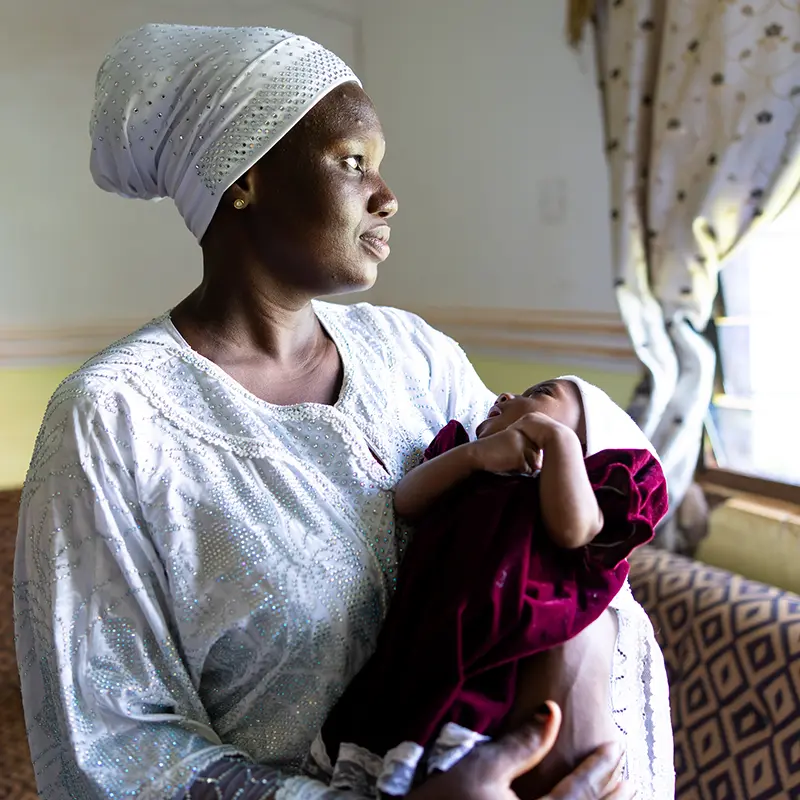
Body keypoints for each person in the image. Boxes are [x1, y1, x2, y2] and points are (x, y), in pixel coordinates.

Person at [11, 23, 663, 800]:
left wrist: (590, 753)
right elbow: (111, 744)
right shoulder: (115, 420)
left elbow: (565, 566)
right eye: (353, 163)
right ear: (243, 178)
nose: (388, 196)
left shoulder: (416, 357)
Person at [317, 377, 670, 798]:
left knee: (464, 714)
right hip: (428, 634)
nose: (504, 397)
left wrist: (557, 443)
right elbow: (406, 500)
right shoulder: (473, 469)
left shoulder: (569, 501)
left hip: (497, 650)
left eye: (540, 393)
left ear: (589, 444)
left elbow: (574, 530)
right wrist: (474, 456)